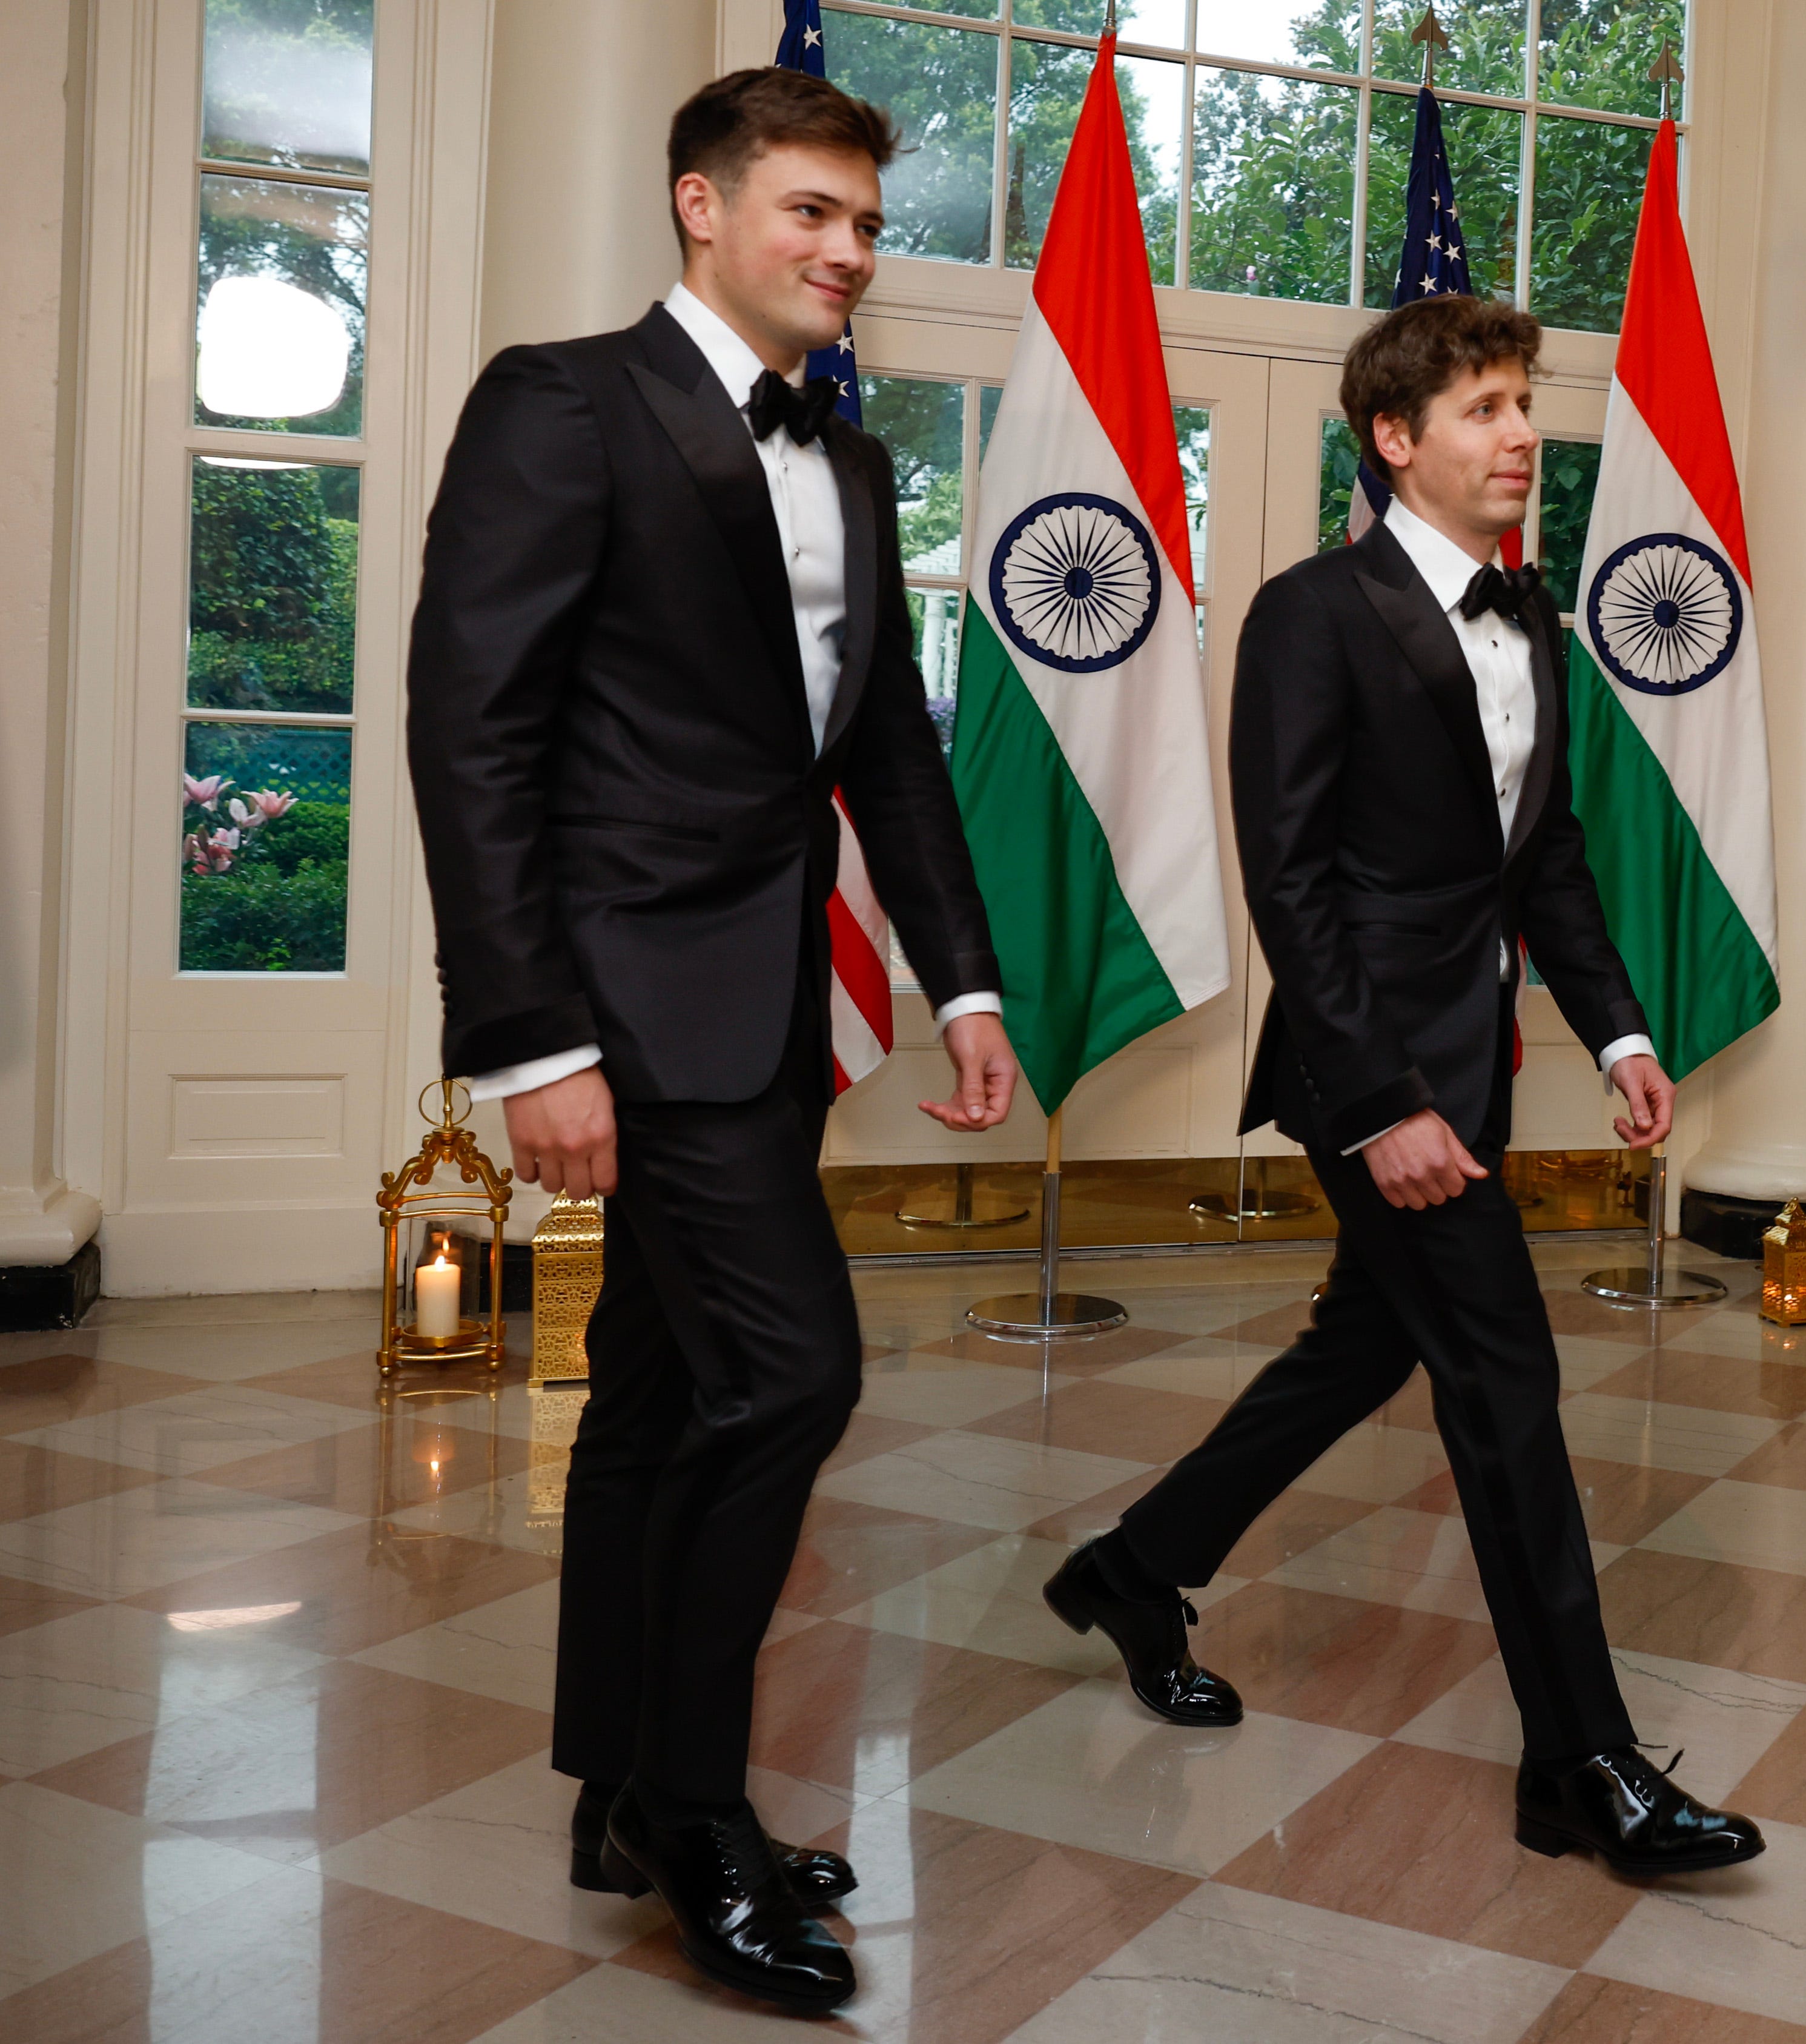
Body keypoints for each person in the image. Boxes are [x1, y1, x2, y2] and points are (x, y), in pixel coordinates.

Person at [406, 68, 1019, 2012]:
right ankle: (692, 1811)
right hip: (626, 1006)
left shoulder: (854, 462)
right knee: (794, 1374)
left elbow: (889, 747)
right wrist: (531, 1045)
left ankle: (616, 1793)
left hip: (771, 1009)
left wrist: (966, 982)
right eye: (809, 212)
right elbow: (474, 729)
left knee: (660, 1397)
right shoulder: (563, 402)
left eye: (866, 223)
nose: (848, 252)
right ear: (702, 203)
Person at [1042, 295, 1764, 1877]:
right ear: (1394, 437)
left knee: (1362, 1346)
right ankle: (1581, 1760)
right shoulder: (1312, 614)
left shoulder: (1535, 621)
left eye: (1526, 406)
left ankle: (1135, 1568)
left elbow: (1546, 856)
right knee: (1507, 1382)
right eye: (1486, 408)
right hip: (1370, 1074)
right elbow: (1291, 884)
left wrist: (1621, 1034)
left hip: (1470, 1065)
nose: (1522, 437)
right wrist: (1380, 1102)